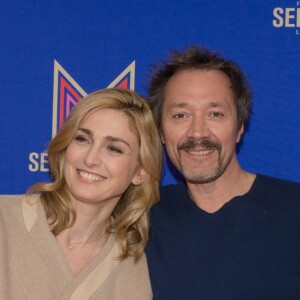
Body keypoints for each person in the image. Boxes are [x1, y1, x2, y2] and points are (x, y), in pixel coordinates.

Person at [146, 45, 300, 299]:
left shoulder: (293, 210)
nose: (198, 132)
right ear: (161, 131)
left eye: (215, 114)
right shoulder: (141, 218)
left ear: (240, 127)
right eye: (181, 115)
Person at [0, 88, 162, 299]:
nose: (91, 159)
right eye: (83, 139)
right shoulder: (5, 220)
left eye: (113, 148)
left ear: (140, 172)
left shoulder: (134, 268)